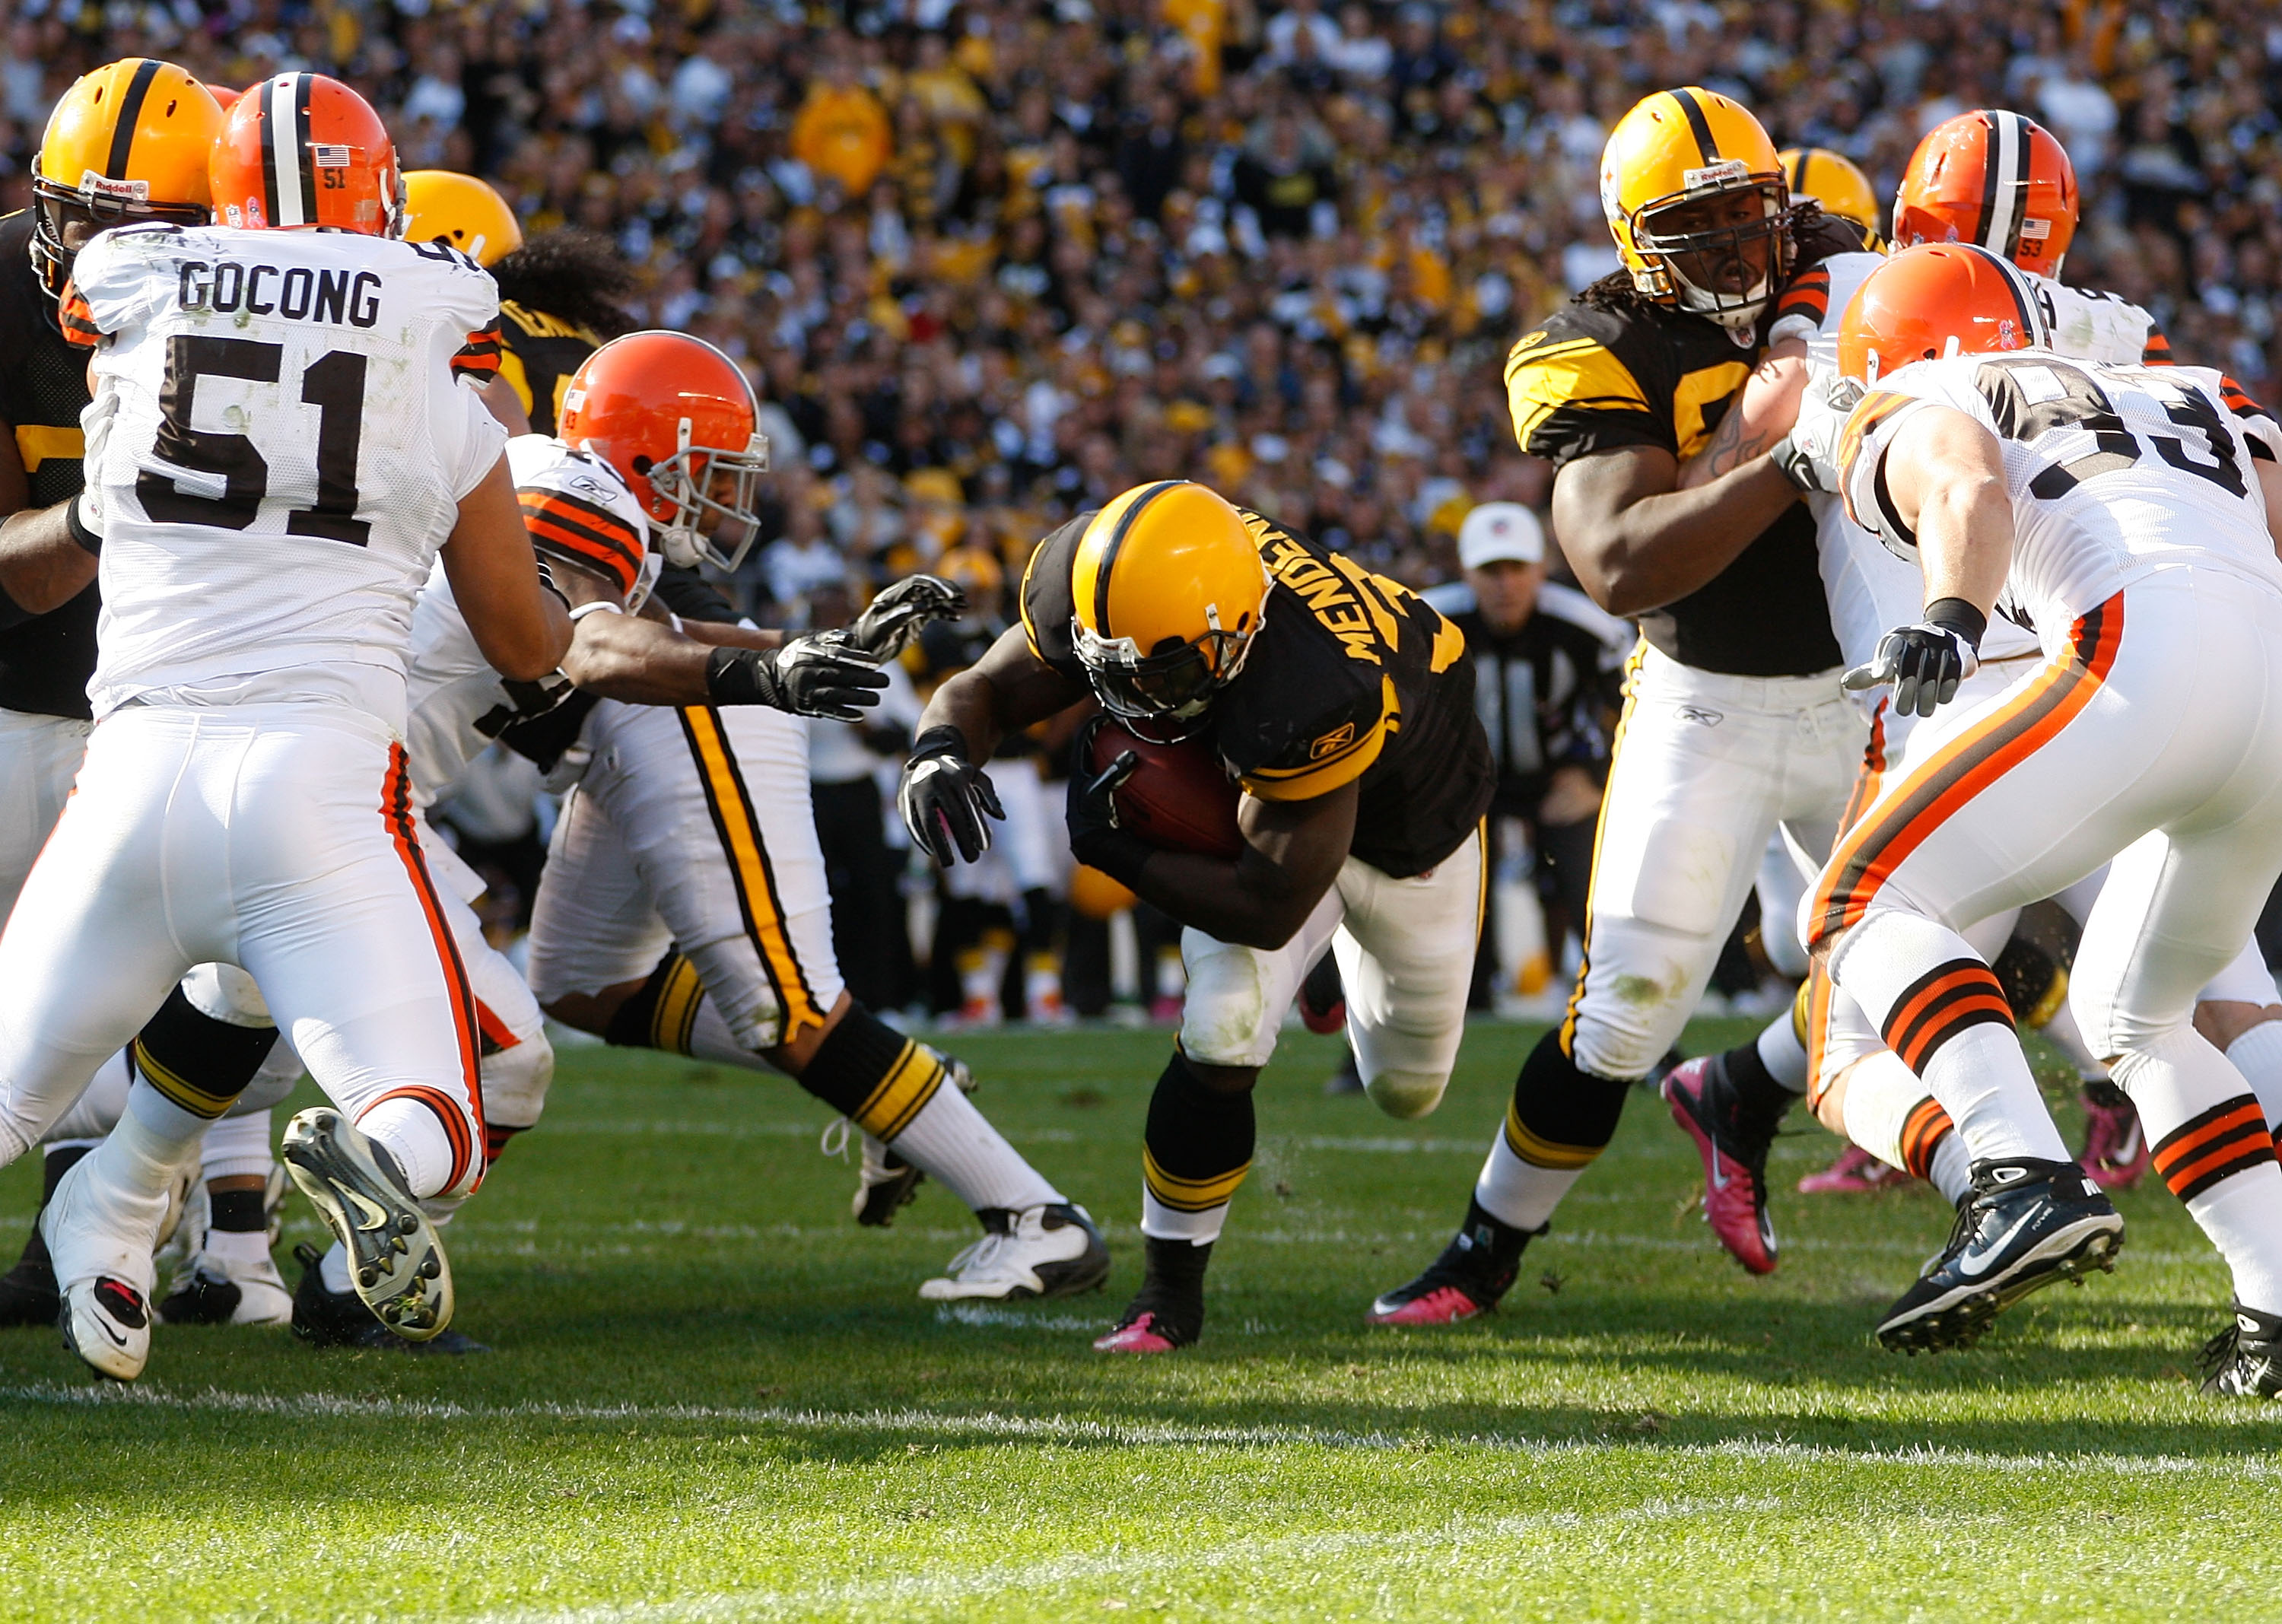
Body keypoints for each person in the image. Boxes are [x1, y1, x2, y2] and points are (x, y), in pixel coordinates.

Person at [0, 72, 572, 1381]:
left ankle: (107, 1207)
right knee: (434, 1124)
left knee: (11, 1096)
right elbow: (524, 643)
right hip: (320, 800)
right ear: (383, 206)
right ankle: (353, 1162)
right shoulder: (443, 373)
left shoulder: (134, 306)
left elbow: (112, 288)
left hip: (131, 781)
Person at [1368, 87, 1872, 1327]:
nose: (1737, 256)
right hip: (1707, 707)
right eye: (1696, 232)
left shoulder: (1840, 271)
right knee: (1629, 1005)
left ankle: (1760, 1101)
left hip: (1867, 691)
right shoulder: (1594, 343)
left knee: (1969, 951)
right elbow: (1620, 565)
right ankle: (1485, 1249)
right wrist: (1779, 460)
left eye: (1751, 221)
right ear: (1634, 239)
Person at [523, 332, 1110, 1303]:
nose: (729, 499)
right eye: (706, 473)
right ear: (638, 457)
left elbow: (626, 637)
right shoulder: (561, 488)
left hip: (683, 712)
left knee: (786, 1006)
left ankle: (1035, 1219)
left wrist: (796, 649)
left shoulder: (574, 493)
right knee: (581, 983)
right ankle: (901, 1084)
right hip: (655, 715)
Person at [1810, 244, 2282, 1387]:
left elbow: (1964, 479)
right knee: (2140, 1007)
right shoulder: (2202, 386)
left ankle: (2018, 1171)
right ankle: (2277, 1312)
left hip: (2134, 655)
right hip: (2268, 696)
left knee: (1862, 898)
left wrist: (1952, 616)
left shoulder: (1929, 385)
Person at [905, 479, 1493, 1351]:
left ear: (1237, 630)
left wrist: (1114, 848)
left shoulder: (1313, 683)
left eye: (1164, 670)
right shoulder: (1110, 585)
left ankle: (1322, 957)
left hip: (1409, 832)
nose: (1137, 694)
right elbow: (987, 687)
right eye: (1113, 670)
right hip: (1261, 800)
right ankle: (1167, 1296)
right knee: (1223, 1032)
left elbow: (1267, 901)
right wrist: (936, 751)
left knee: (1408, 1090)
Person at [1435, 501, 1624, 1001]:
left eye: (1517, 568)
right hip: (1465, 784)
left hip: (1558, 778)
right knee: (1453, 899)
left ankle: (1618, 1004)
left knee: (1590, 892)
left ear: (1541, 570)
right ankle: (1463, 1003)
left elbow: (1640, 698)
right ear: (1466, 574)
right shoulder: (1426, 624)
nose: (1505, 584)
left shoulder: (1586, 625)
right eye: (1490, 570)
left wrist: (1595, 775)